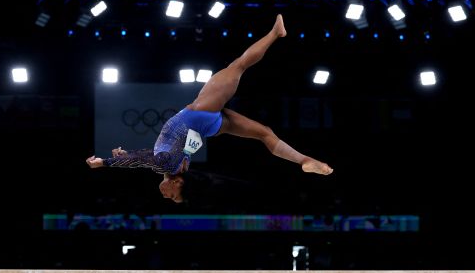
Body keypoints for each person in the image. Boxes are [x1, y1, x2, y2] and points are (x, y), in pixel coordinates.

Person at [86, 14, 333, 203]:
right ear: (179, 182)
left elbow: (145, 158)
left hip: (211, 127)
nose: (166, 197)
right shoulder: (169, 167)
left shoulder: (174, 166)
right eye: (174, 196)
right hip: (200, 115)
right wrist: (105, 163)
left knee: (264, 133)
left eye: (171, 198)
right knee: (238, 66)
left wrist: (124, 155)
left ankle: (305, 160)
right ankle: (275, 33)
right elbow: (144, 160)